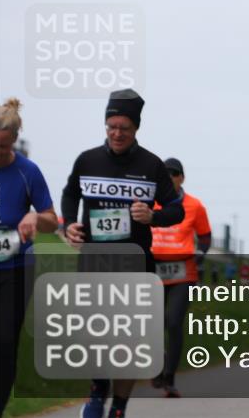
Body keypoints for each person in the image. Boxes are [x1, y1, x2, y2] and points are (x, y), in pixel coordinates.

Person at [63, 89, 185, 418]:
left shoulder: (151, 165)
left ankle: (119, 406)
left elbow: (177, 210)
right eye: (111, 126)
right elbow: (70, 192)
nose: (117, 133)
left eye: (124, 128)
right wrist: (69, 226)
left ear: (136, 129)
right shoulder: (87, 159)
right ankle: (97, 389)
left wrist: (154, 217)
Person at [0, 98, 57, 418]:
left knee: (4, 342)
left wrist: (35, 219)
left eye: (2, 148)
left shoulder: (27, 172)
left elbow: (52, 218)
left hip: (15, 269)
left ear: (14, 142)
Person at [149, 158, 212, 398]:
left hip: (183, 271)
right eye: (166, 174)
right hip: (153, 269)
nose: (171, 177)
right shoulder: (149, 202)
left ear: (182, 178)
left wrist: (199, 256)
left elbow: (205, 238)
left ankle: (170, 378)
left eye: (175, 174)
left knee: (173, 322)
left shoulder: (194, 206)